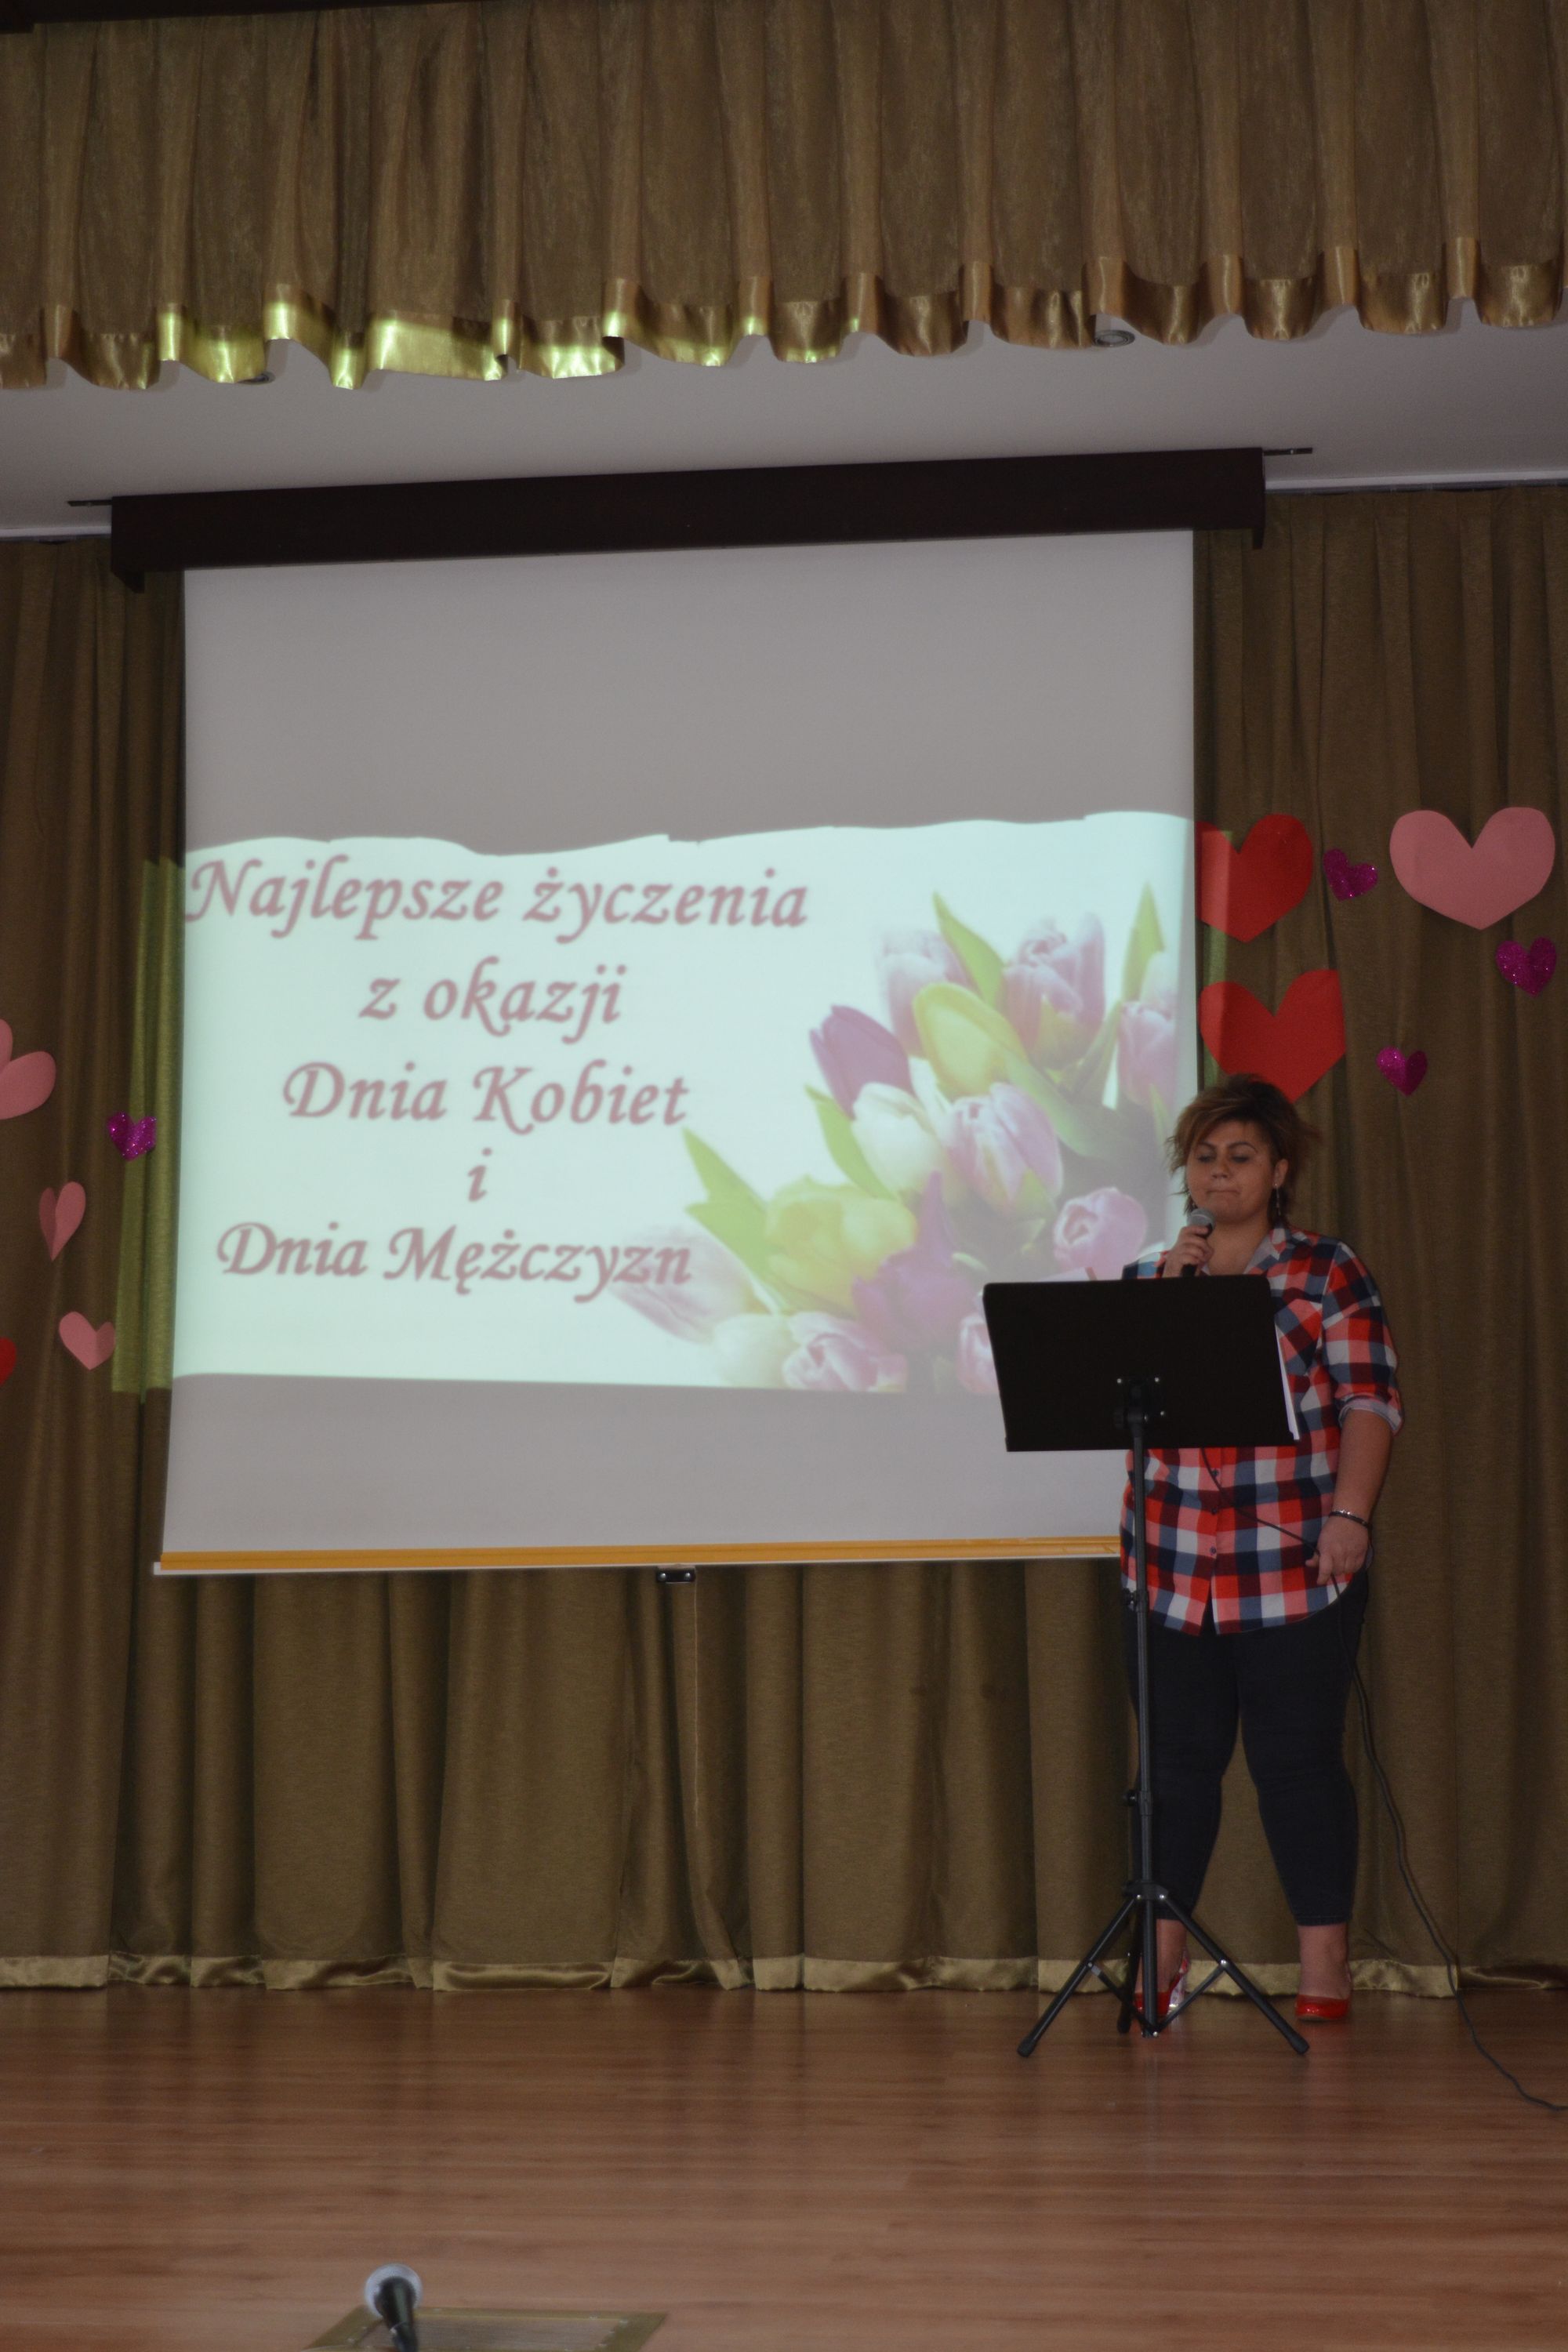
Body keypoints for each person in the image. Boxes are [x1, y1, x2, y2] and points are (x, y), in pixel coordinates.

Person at [1120, 1072, 1402, 2023]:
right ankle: (1160, 1962)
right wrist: (1169, 1298)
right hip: (1168, 1568)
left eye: (1240, 1156)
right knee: (1172, 1772)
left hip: (1292, 1566)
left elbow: (1368, 1402)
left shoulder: (1324, 1271)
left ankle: (1325, 1967)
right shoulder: (1150, 1279)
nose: (1218, 1173)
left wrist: (1349, 1516)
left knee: (1296, 1765)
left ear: (1278, 1171)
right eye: (1203, 1157)